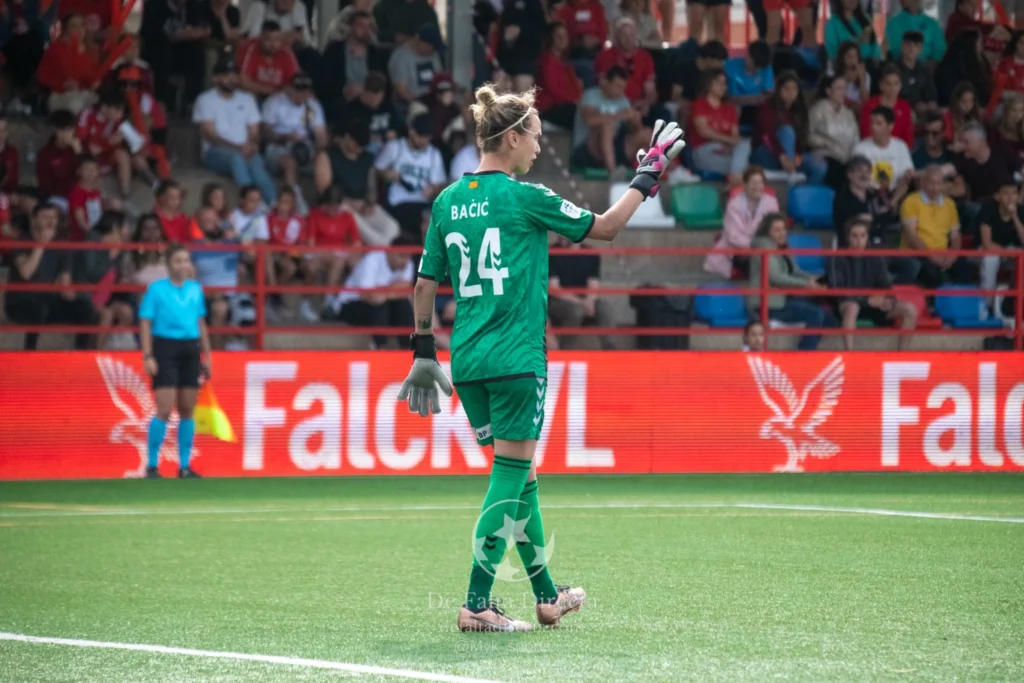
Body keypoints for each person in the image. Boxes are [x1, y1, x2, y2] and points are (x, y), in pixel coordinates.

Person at [398, 84, 682, 631]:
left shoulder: (446, 200)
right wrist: (648, 176)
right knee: (509, 475)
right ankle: (477, 604)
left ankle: (548, 597)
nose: (538, 149)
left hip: (470, 360)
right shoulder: (526, 197)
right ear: (509, 137)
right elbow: (605, 228)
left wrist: (422, 347)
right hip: (517, 359)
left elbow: (425, 282)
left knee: (521, 477)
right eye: (534, 137)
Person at [140, 244, 212, 478]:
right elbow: (145, 322)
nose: (183, 265)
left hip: (190, 348)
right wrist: (148, 355)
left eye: (186, 261)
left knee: (187, 409)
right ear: (169, 264)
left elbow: (201, 324)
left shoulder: (195, 289)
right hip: (165, 347)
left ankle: (184, 466)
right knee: (164, 408)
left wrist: (207, 355)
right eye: (178, 261)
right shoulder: (156, 289)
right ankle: (151, 465)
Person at [5, 203, 98, 350]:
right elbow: (26, 272)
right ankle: (29, 355)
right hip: (19, 303)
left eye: (54, 217)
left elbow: (64, 282)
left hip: (46, 301)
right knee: (38, 306)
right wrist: (41, 244)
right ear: (33, 220)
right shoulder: (22, 241)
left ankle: (81, 354)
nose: (50, 221)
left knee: (85, 308)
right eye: (45, 217)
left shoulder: (61, 244)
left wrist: (70, 294)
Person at [194, 56, 277, 205]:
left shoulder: (247, 99)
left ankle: (274, 206)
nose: (231, 79)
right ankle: (252, 203)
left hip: (244, 150)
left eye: (234, 75)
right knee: (236, 158)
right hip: (215, 152)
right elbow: (209, 134)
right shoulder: (205, 99)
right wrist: (238, 148)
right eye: (226, 75)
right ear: (215, 78)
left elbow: (254, 131)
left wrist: (251, 144)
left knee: (257, 164)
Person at [748, 213, 836, 350]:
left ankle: (807, 339)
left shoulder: (782, 247)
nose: (782, 233)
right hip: (768, 304)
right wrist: (807, 285)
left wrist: (812, 279)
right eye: (776, 230)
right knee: (816, 314)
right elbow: (775, 277)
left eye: (783, 229)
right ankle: (803, 355)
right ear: (767, 233)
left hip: (783, 300)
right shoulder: (763, 247)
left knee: (830, 318)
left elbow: (795, 270)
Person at [830, 217, 917, 350]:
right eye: (855, 236)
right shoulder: (837, 258)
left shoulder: (875, 257)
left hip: (873, 304)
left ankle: (902, 355)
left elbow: (886, 285)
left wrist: (888, 300)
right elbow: (838, 290)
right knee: (852, 307)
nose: (859, 241)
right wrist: (867, 300)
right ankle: (849, 356)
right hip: (847, 304)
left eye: (863, 236)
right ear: (847, 237)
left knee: (910, 309)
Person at [314, 117, 400, 246]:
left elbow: (371, 188)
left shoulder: (367, 158)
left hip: (362, 205)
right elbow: (324, 191)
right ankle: (381, 249)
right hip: (338, 206)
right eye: (357, 145)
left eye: (363, 147)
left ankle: (384, 250)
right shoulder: (327, 156)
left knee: (393, 228)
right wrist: (345, 201)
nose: (359, 149)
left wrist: (369, 203)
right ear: (348, 137)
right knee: (376, 239)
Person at [900, 164, 976, 289]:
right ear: (923, 183)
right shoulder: (911, 201)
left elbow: (956, 236)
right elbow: (911, 237)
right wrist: (932, 256)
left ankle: (956, 306)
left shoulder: (949, 204)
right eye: (931, 183)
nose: (935, 187)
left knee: (967, 270)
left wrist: (952, 255)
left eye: (939, 183)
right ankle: (933, 306)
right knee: (931, 272)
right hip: (917, 254)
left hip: (943, 253)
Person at [374, 113, 447, 235]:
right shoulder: (395, 147)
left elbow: (440, 184)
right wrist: (388, 174)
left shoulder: (434, 154)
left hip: (423, 203)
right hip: (398, 202)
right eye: (421, 136)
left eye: (427, 138)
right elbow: (377, 169)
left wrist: (433, 189)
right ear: (412, 132)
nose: (424, 141)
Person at [261, 72, 327, 205]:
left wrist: (320, 152)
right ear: (289, 88)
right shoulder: (275, 102)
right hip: (278, 147)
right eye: (298, 91)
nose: (301, 95)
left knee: (324, 162)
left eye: (305, 92)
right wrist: (284, 137)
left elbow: (321, 134)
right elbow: (265, 132)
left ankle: (324, 201)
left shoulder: (312, 105)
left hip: (305, 147)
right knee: (290, 163)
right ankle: (295, 203)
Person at [751, 71, 826, 184]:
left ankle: (803, 197)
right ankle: (790, 175)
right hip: (766, 154)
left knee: (820, 165)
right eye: (786, 88)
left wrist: (797, 159)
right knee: (787, 131)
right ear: (779, 89)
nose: (791, 92)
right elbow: (767, 136)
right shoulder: (767, 107)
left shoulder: (798, 111)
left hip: (789, 159)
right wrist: (782, 157)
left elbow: (800, 142)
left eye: (794, 89)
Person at [706, 166, 779, 279]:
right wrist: (756, 246)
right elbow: (734, 237)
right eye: (753, 183)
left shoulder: (771, 203)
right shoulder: (734, 205)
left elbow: (775, 231)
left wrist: (764, 245)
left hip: (764, 250)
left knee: (772, 259)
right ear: (745, 185)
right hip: (737, 251)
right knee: (755, 262)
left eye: (760, 183)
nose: (757, 187)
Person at [571, 66, 645, 174]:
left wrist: (635, 120)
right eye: (617, 86)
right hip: (587, 150)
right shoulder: (591, 96)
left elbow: (635, 129)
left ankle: (649, 173)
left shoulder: (622, 99)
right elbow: (589, 120)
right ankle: (612, 171)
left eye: (623, 88)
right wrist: (619, 116)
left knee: (646, 134)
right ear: (606, 82)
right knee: (607, 126)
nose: (620, 91)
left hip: (613, 148)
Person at [547, 234, 616, 349]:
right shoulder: (551, 253)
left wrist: (589, 301)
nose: (560, 235)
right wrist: (582, 303)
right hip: (557, 302)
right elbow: (554, 288)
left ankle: (611, 352)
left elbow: (593, 284)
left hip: (583, 300)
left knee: (604, 308)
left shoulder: (590, 253)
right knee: (575, 310)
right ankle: (565, 353)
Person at [689, 69, 751, 185]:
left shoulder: (730, 109)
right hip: (705, 151)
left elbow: (735, 136)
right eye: (719, 82)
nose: (723, 86)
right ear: (708, 84)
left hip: (728, 152)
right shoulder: (699, 104)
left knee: (745, 144)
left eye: (725, 83)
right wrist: (728, 141)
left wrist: (729, 145)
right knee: (747, 171)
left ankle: (733, 178)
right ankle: (736, 177)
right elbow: (704, 132)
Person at [978, 180, 1023, 311]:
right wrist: (1005, 252)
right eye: (1006, 194)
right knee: (990, 259)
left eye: (1014, 193)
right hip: (990, 250)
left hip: (1013, 252)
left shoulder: (1021, 211)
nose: (1010, 198)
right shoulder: (987, 210)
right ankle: (987, 304)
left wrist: (1015, 217)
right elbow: (987, 243)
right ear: (997, 196)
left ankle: (1017, 305)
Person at [809, 75, 859, 188]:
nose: (843, 92)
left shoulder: (848, 114)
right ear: (828, 91)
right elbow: (809, 136)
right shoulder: (818, 109)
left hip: (846, 159)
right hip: (826, 156)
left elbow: (856, 139)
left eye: (845, 88)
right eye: (839, 88)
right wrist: (826, 143)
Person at [852, 106, 915, 195]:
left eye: (878, 124)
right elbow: (857, 178)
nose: (873, 127)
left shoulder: (900, 146)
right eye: (871, 123)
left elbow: (907, 174)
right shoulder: (860, 148)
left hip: (896, 193)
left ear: (890, 127)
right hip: (869, 193)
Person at [535, 22, 584, 131]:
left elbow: (575, 88)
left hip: (566, 105)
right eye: (558, 36)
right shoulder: (547, 61)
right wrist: (574, 101)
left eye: (565, 36)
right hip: (550, 109)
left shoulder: (565, 62)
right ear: (550, 38)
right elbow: (555, 91)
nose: (562, 39)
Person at [238, 20, 301, 98]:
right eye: (269, 39)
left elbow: (296, 81)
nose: (273, 44)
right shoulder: (252, 48)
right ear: (260, 38)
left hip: (280, 97)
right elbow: (243, 81)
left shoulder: (286, 52)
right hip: (255, 95)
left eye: (277, 40)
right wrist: (269, 91)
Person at [859, 65, 914, 149]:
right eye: (889, 84)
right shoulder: (870, 105)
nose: (893, 88)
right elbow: (866, 135)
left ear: (900, 85)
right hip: (873, 151)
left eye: (896, 83)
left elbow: (908, 139)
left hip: (897, 153)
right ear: (881, 85)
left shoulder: (905, 106)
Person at [36, 110, 83, 209]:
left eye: (69, 129)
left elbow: (87, 176)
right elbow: (45, 185)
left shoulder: (80, 149)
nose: (66, 134)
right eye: (62, 130)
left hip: (80, 195)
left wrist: (79, 154)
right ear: (55, 130)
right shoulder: (45, 153)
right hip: (56, 197)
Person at [892, 31, 938, 121]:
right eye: (908, 45)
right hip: (901, 109)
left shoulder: (924, 70)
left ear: (920, 49)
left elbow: (931, 93)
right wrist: (915, 105)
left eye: (916, 45)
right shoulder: (893, 69)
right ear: (902, 46)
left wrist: (930, 104)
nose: (912, 49)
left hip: (924, 111)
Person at [885, 0, 946, 64]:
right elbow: (890, 52)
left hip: (928, 68)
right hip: (900, 68)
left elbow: (940, 53)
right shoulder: (892, 24)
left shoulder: (932, 24)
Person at [825, 0, 880, 65]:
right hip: (848, 67)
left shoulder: (866, 18)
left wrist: (876, 57)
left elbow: (875, 43)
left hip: (869, 64)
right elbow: (833, 53)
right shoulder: (833, 23)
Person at [835, 41, 871, 113]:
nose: (853, 60)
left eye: (855, 56)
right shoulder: (836, 76)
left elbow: (866, 101)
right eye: (849, 56)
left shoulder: (866, 75)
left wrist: (862, 79)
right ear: (842, 58)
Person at [944, 83, 980, 152]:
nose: (967, 105)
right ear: (956, 101)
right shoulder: (947, 117)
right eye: (964, 101)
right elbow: (945, 143)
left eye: (970, 101)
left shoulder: (974, 120)